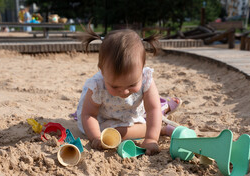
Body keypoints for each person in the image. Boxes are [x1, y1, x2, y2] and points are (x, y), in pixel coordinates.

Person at [76, 25, 181, 155]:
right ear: (102, 71)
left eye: (131, 85)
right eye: (114, 86)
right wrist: (96, 137)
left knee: (155, 111)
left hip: (132, 113)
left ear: (142, 68)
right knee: (107, 133)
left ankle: (161, 128)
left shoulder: (146, 79)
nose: (124, 92)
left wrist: (151, 138)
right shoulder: (97, 85)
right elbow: (88, 114)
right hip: (105, 118)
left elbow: (153, 109)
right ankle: (163, 123)